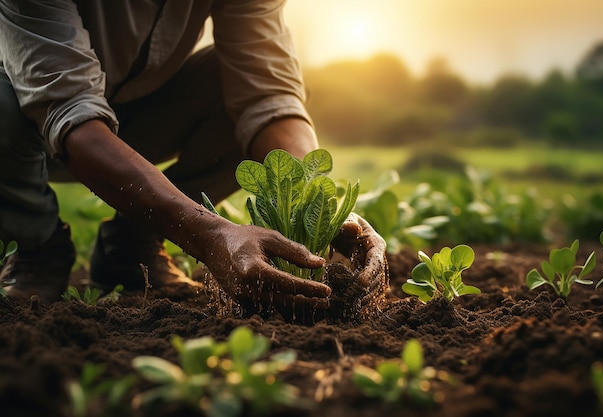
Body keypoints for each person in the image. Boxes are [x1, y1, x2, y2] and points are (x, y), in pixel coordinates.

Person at [0, 0, 386, 313]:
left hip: (137, 112)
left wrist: (320, 204)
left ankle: (134, 240)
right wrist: (209, 234)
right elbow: (70, 113)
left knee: (239, 82)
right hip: (31, 120)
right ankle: (37, 244)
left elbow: (269, 93)